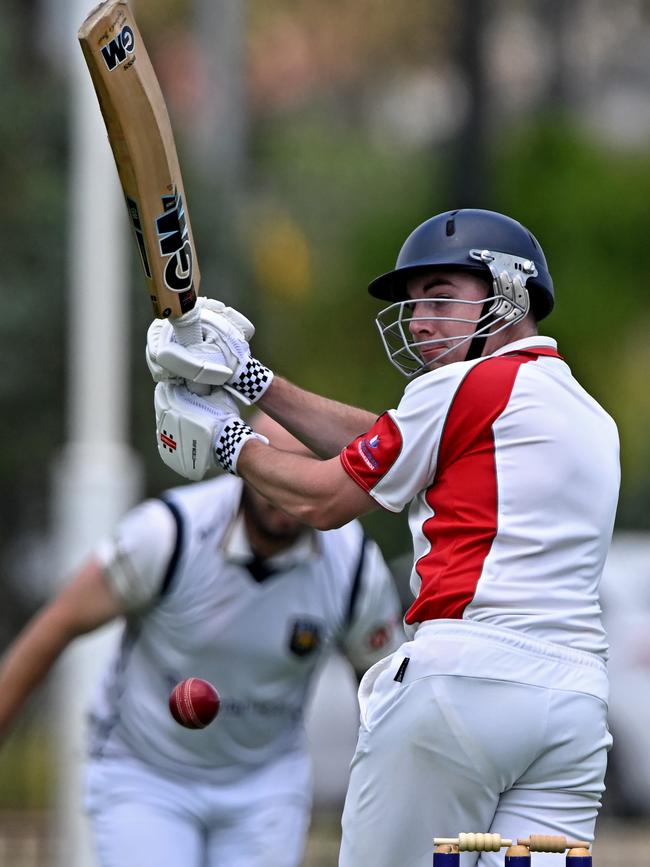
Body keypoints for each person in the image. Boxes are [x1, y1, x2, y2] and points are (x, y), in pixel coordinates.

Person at [146, 208, 621, 867]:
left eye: (441, 296)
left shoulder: (463, 388)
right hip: (573, 712)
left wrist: (230, 441)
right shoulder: (587, 414)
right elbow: (393, 442)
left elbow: (325, 499)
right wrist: (253, 381)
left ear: (511, 291)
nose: (420, 319)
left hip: (461, 688)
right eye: (414, 302)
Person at [0, 413, 403, 867]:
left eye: (305, 470)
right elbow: (55, 626)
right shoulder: (169, 533)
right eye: (275, 465)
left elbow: (385, 693)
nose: (287, 489)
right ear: (246, 465)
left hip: (265, 783)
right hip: (145, 775)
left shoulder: (353, 568)